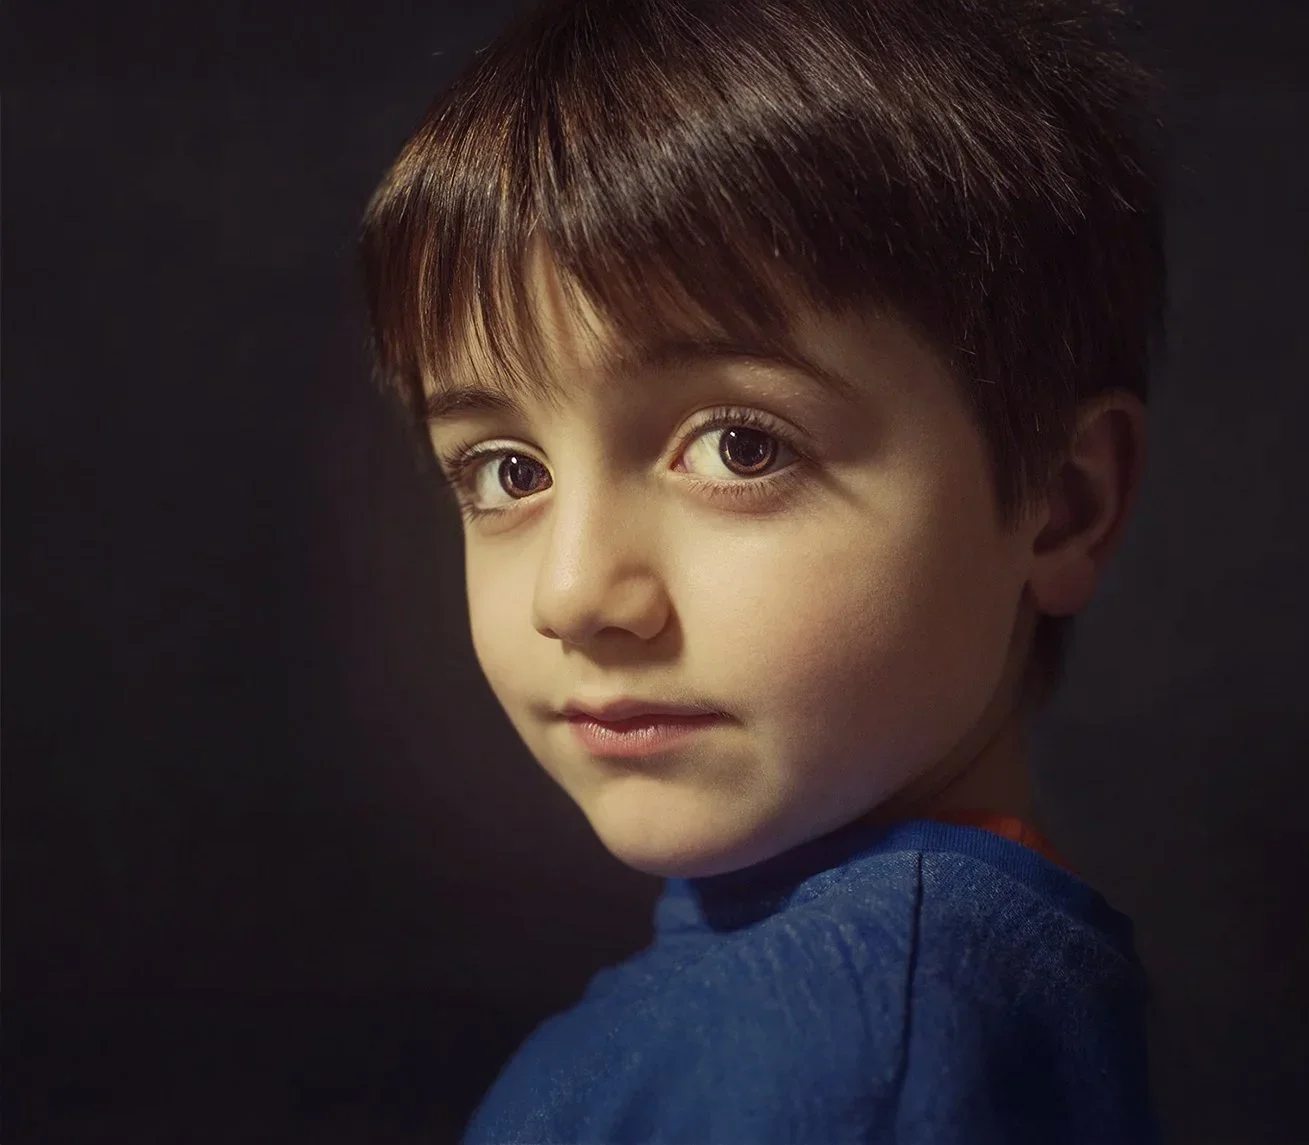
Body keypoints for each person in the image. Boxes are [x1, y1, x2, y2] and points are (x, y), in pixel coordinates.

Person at [359, 0, 1164, 1138]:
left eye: (741, 446)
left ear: (1062, 504)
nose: (573, 593)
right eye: (504, 470)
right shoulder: (857, 988)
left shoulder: (844, 1043)